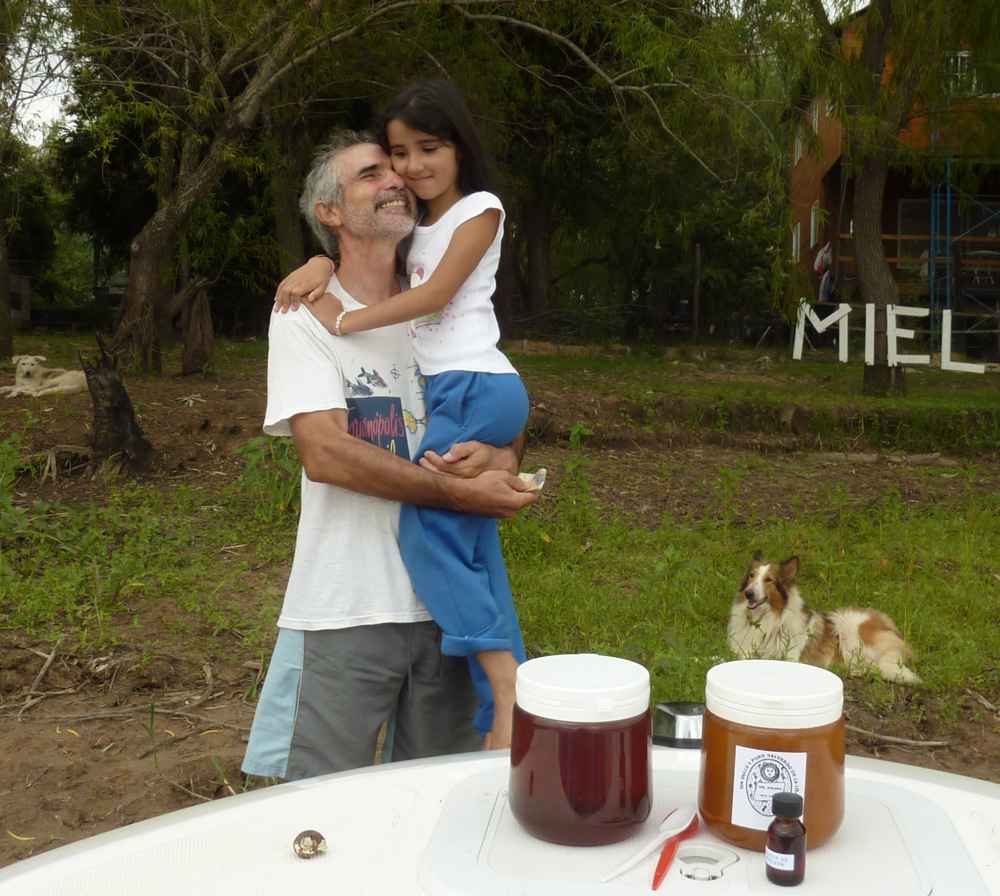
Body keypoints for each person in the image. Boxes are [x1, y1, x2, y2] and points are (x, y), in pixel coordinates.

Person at [241, 130, 536, 781]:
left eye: (397, 168)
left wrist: (503, 458)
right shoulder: (304, 313)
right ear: (331, 213)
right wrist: (461, 493)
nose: (395, 179)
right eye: (371, 174)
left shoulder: (446, 309)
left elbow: (504, 411)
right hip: (347, 608)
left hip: (451, 612)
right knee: (313, 816)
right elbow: (327, 455)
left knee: (441, 811)